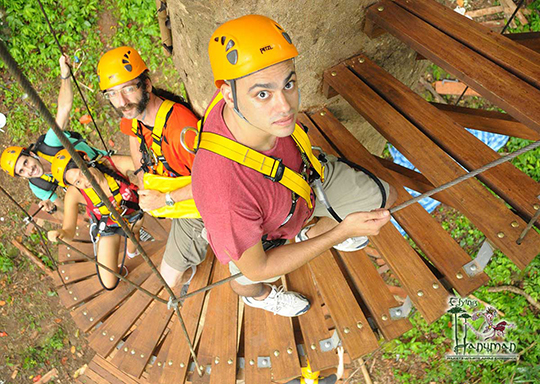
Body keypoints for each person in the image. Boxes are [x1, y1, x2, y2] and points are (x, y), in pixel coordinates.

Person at [191, 15, 398, 317]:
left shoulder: (239, 89)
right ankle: (259, 298)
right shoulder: (226, 195)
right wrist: (339, 234)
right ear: (228, 95)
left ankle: (305, 236)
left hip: (302, 183)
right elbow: (259, 266)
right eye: (263, 94)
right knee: (249, 278)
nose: (285, 107)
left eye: (288, 84)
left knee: (384, 199)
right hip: (262, 232)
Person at [97, 47, 205, 291]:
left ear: (146, 85)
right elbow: (134, 139)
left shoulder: (180, 130)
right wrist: (143, 182)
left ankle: (189, 264)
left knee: (167, 283)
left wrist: (164, 199)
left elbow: (212, 184)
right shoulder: (133, 115)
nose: (122, 102)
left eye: (128, 89)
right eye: (112, 94)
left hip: (196, 205)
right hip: (170, 194)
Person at [0, 55, 106, 213]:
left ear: (30, 154)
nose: (29, 170)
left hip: (102, 162)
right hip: (89, 188)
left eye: (26, 162)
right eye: (22, 171)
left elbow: (64, 109)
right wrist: (53, 209)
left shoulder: (49, 144)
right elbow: (70, 209)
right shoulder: (38, 186)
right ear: (22, 177)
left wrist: (65, 74)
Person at [48, 149, 142, 290]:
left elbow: (146, 168)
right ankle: (126, 262)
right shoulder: (75, 193)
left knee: (133, 234)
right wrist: (60, 234)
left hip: (133, 216)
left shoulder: (113, 165)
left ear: (86, 159)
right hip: (109, 226)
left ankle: (132, 251)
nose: (86, 181)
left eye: (82, 172)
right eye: (78, 182)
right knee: (109, 282)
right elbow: (69, 231)